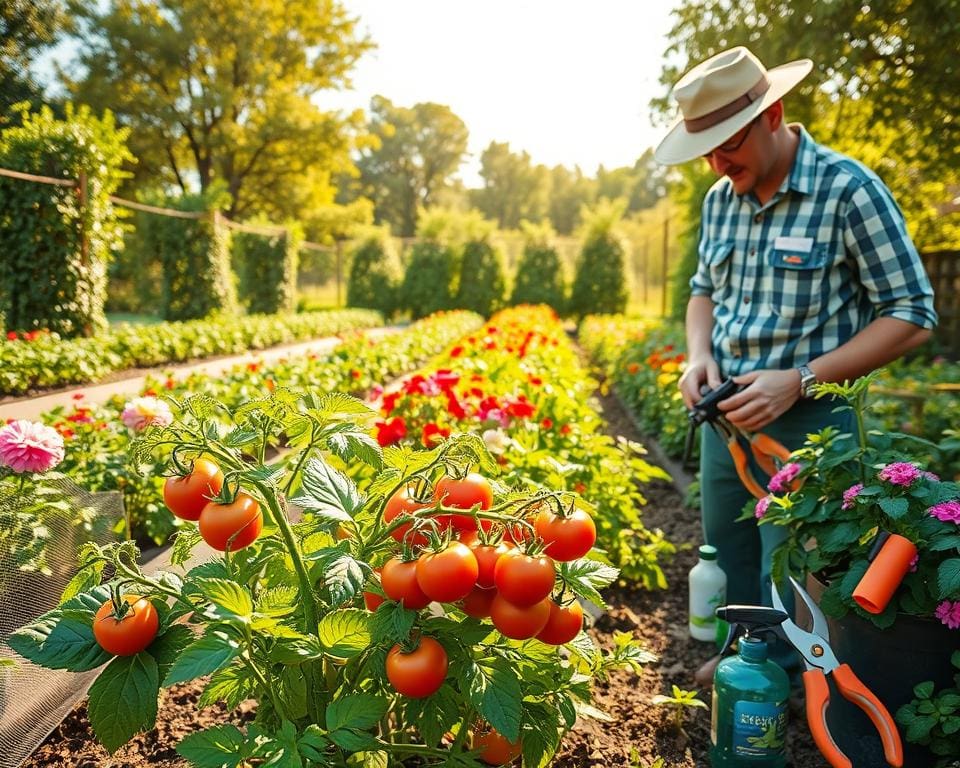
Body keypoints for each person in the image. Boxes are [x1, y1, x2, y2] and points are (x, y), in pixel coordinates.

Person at [654, 46, 937, 683]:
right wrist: (698, 357)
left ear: (773, 115)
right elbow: (702, 292)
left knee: (792, 566)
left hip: (811, 425)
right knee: (730, 548)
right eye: (706, 151)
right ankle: (742, 663)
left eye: (728, 144)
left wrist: (802, 378)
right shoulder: (720, 199)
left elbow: (913, 312)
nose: (717, 164)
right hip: (728, 417)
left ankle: (797, 689)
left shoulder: (848, 191)